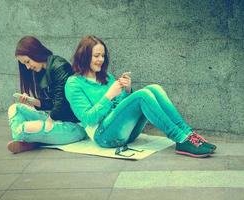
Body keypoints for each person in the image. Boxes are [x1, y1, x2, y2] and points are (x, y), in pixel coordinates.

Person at [65, 35, 217, 158]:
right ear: (84, 56)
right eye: (96, 56)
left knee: (154, 88)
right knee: (143, 95)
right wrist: (108, 96)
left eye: (103, 55)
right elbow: (88, 119)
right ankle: (180, 139)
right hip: (103, 137)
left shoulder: (106, 77)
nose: (101, 60)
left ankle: (189, 135)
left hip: (127, 133)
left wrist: (128, 90)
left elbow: (121, 109)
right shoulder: (74, 84)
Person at [7, 36, 86, 154]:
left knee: (24, 128)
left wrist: (47, 123)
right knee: (15, 108)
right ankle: (32, 138)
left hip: (74, 127)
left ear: (35, 53)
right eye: (24, 64)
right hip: (58, 121)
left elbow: (62, 103)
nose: (28, 67)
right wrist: (32, 101)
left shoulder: (59, 66)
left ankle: (28, 139)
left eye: (27, 62)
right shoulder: (42, 70)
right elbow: (52, 102)